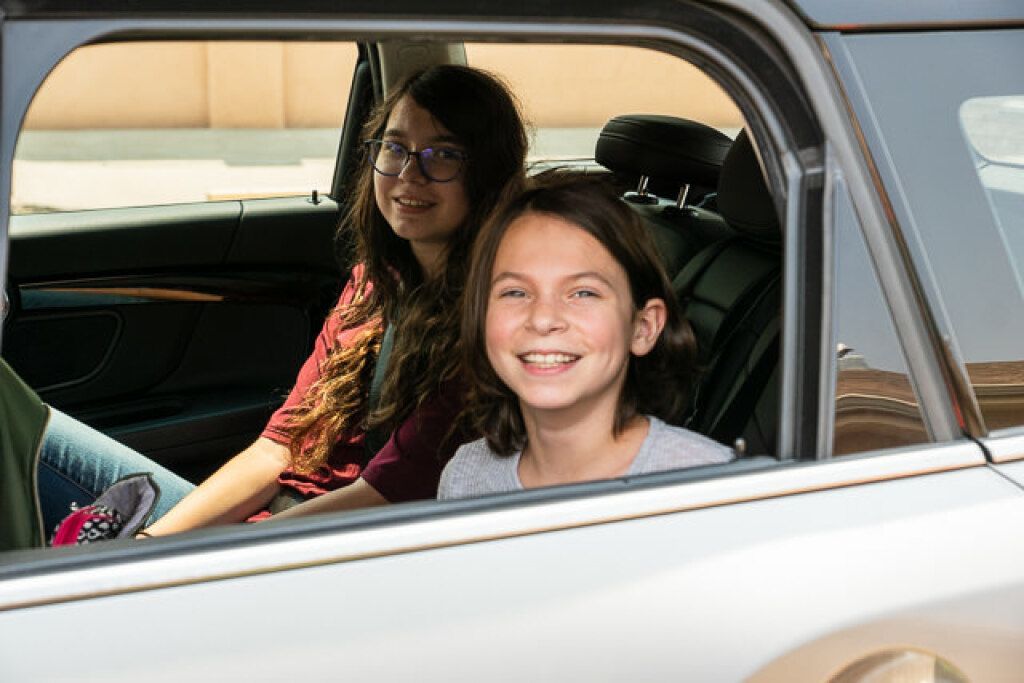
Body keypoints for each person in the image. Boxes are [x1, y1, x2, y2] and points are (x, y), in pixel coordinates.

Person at [38, 64, 528, 536]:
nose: (407, 175)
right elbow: (280, 447)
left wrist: (222, 555)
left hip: (321, 553)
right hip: (275, 527)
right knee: (17, 416)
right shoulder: (375, 283)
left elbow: (387, 495)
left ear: (485, 173)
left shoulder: (491, 322)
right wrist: (154, 545)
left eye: (442, 155)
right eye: (395, 148)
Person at [438, 173, 732, 499]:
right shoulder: (465, 478)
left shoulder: (706, 488)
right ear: (482, 319)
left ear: (643, 327)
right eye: (516, 292)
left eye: (583, 293)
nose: (544, 319)